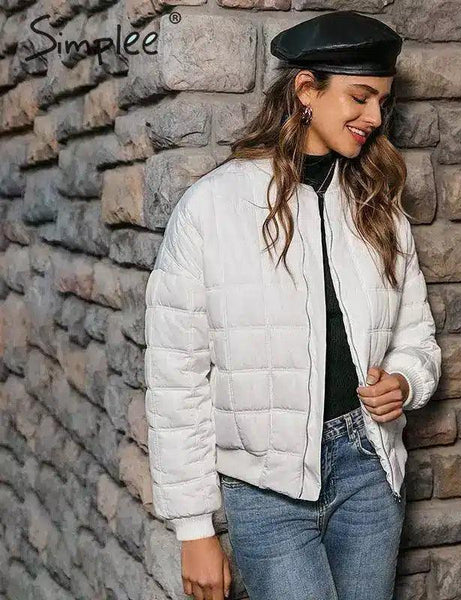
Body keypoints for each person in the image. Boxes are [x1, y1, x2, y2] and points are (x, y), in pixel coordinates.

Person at [144, 10, 442, 600]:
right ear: (306, 89)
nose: (375, 118)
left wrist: (405, 381)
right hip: (265, 489)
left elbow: (417, 337)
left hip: (369, 467)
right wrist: (194, 527)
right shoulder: (212, 208)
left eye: (382, 102)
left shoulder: (379, 207)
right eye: (360, 97)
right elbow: (177, 375)